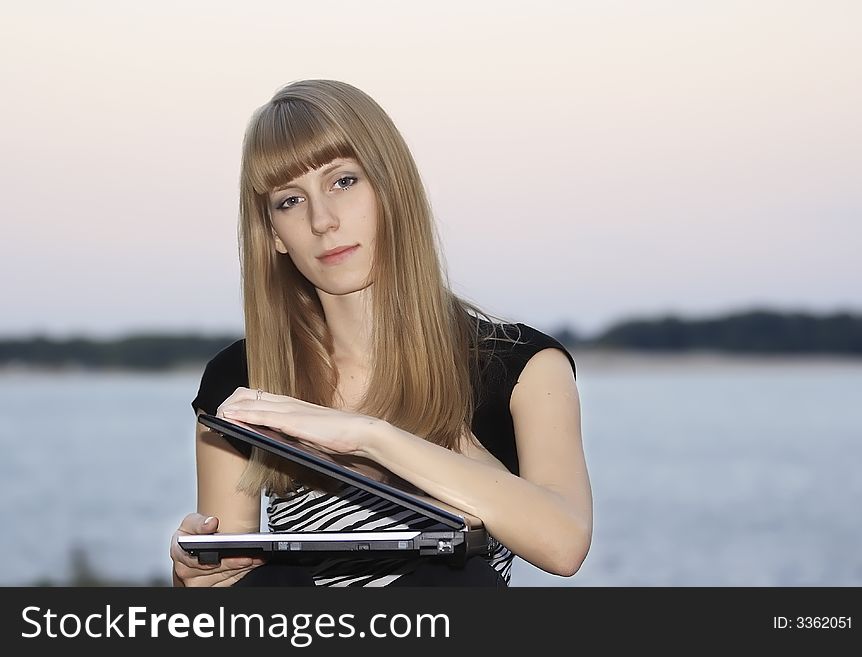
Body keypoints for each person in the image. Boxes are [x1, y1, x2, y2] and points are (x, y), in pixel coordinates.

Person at [169, 79, 592, 587]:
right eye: (289, 201)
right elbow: (229, 588)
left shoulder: (521, 368)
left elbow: (565, 544)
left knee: (455, 583)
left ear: (391, 188)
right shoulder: (241, 380)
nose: (322, 220)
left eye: (343, 181)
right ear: (274, 235)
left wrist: (369, 438)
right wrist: (197, 575)